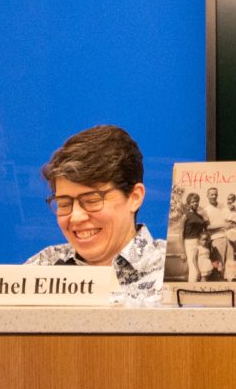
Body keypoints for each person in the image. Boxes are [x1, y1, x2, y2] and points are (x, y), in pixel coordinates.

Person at [26, 124, 166, 305]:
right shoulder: (41, 268)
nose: (76, 217)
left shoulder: (178, 274)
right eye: (64, 204)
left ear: (134, 197)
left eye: (92, 200)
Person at [181, 192, 208, 282]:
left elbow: (205, 227)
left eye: (197, 201)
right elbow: (180, 234)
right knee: (194, 270)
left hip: (200, 243)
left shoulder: (199, 216)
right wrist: (183, 252)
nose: (195, 203)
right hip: (190, 243)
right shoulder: (185, 216)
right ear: (189, 203)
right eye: (193, 202)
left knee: (201, 268)